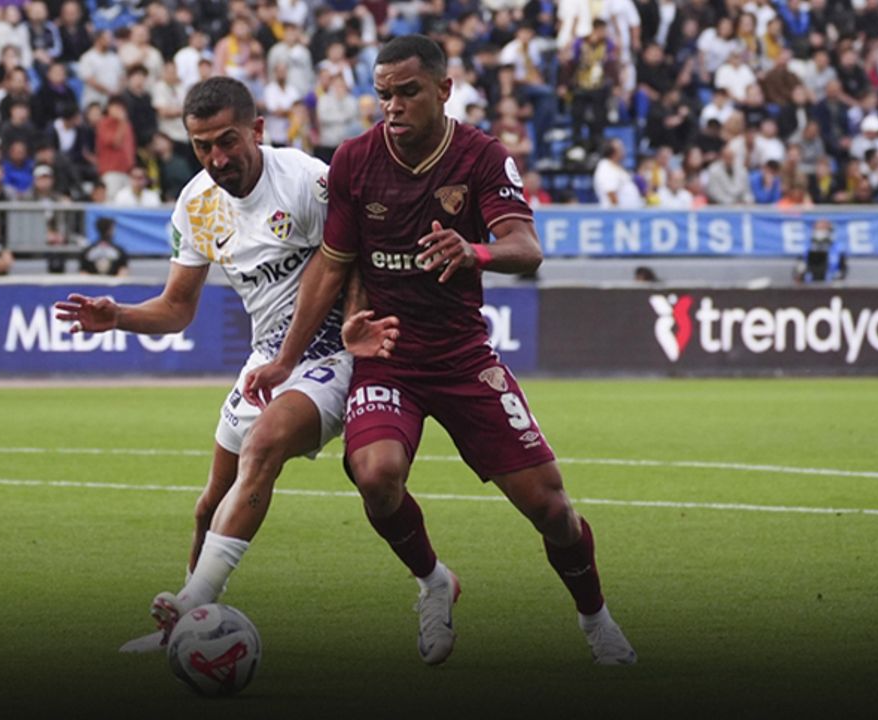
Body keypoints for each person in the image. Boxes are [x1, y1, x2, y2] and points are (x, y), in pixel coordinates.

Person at [243, 35, 637, 667]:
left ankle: (597, 620)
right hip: (387, 355)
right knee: (375, 476)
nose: (393, 106)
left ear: (443, 90)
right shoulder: (354, 160)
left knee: (551, 508)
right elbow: (331, 264)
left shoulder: (482, 155)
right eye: (383, 95)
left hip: (462, 357)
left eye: (408, 92)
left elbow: (526, 248)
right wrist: (287, 360)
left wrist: (475, 250)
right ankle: (433, 582)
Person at [53, 77, 388, 651]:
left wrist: (351, 326)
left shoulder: (305, 181)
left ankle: (192, 603)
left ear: (257, 130)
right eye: (201, 146)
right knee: (210, 502)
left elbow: (351, 263)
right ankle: (179, 633)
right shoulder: (196, 204)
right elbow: (177, 308)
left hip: (332, 353)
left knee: (263, 447)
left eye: (227, 141)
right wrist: (119, 316)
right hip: (267, 360)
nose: (216, 158)